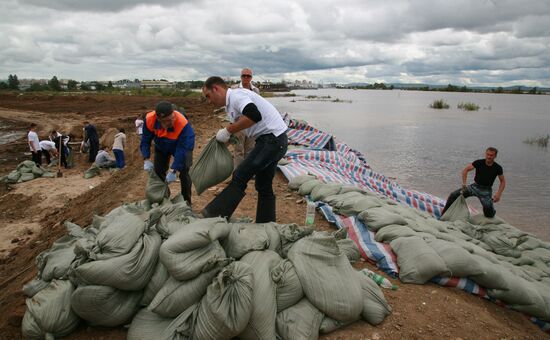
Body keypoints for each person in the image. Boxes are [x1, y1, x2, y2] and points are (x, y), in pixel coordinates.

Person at [201, 76, 288, 223]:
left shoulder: (236, 95)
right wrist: (226, 139)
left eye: (208, 96)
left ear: (216, 88)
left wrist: (228, 130)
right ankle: (266, 223)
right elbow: (242, 125)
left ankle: (214, 216)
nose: (209, 101)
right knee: (263, 185)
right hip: (275, 140)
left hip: (272, 140)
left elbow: (254, 115)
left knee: (240, 174)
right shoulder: (231, 104)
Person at [140, 101, 195, 206]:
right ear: (158, 119)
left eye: (172, 118)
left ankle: (186, 201)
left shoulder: (183, 124)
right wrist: (146, 158)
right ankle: (162, 198)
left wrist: (174, 169)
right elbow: (145, 140)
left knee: (184, 173)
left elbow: (183, 149)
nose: (171, 121)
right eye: (167, 121)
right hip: (161, 146)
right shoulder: (149, 120)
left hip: (179, 146)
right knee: (159, 171)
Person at [441, 147, 506, 218]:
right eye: (488, 154)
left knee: (488, 211)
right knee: (453, 195)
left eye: (491, 155)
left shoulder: (498, 168)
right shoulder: (479, 162)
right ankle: (444, 214)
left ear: (495, 156)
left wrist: (498, 194)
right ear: (485, 154)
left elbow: (502, 181)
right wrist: (464, 183)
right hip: (474, 187)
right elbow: (465, 170)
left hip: (486, 191)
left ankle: (492, 211)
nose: (489, 157)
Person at [231, 68, 260, 167]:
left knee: (250, 149)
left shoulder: (256, 90)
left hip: (252, 124)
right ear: (241, 77)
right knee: (238, 149)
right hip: (239, 123)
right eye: (244, 75)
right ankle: (237, 173)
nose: (246, 78)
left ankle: (247, 173)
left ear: (251, 77)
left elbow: (258, 106)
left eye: (248, 76)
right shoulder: (234, 89)